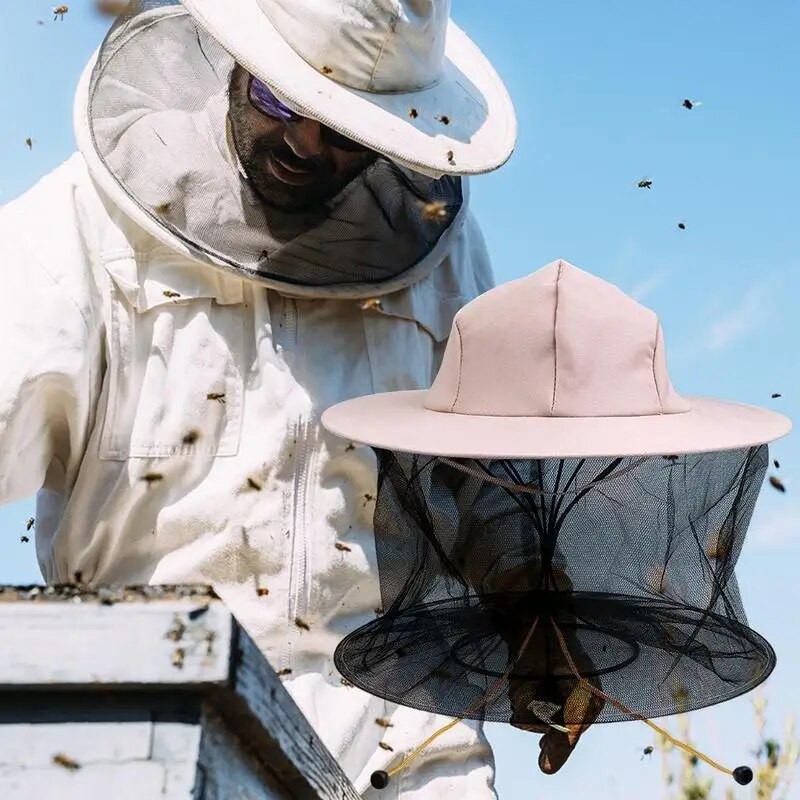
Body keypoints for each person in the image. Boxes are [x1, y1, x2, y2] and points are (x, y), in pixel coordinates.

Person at [0, 0, 528, 794]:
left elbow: (490, 494)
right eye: (285, 102)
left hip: (411, 753)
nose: (307, 145)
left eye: (347, 130)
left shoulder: (443, 257)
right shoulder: (78, 222)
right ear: (236, 57)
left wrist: (544, 615)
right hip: (153, 712)